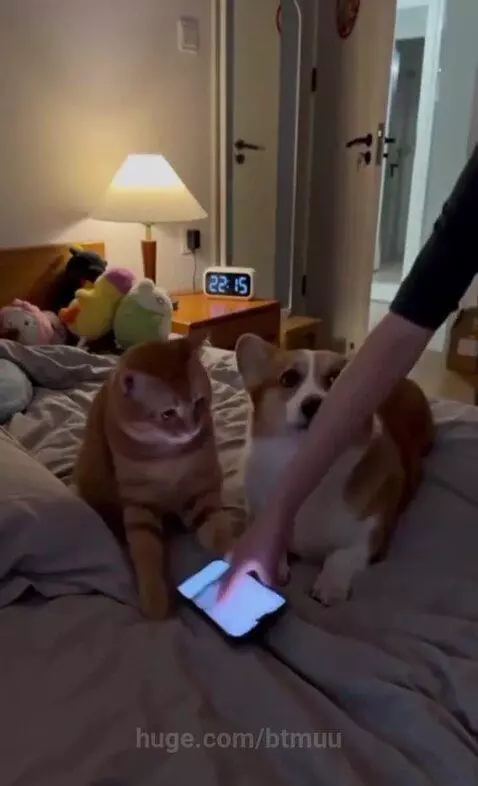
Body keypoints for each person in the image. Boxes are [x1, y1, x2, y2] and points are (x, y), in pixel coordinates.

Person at [219, 145, 478, 600]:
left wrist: (345, 561)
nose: (316, 395)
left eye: (336, 381)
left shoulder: (380, 459)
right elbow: (417, 308)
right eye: (290, 380)